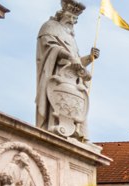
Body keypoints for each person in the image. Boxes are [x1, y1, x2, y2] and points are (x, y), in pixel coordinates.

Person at [35, 0, 100, 141]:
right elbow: (50, 48)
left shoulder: (70, 38)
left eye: (75, 19)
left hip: (73, 83)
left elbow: (76, 62)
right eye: (70, 17)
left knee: (74, 113)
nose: (72, 21)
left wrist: (90, 58)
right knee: (57, 111)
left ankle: (76, 134)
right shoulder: (49, 27)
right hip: (56, 78)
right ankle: (56, 128)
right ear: (61, 14)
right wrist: (69, 56)